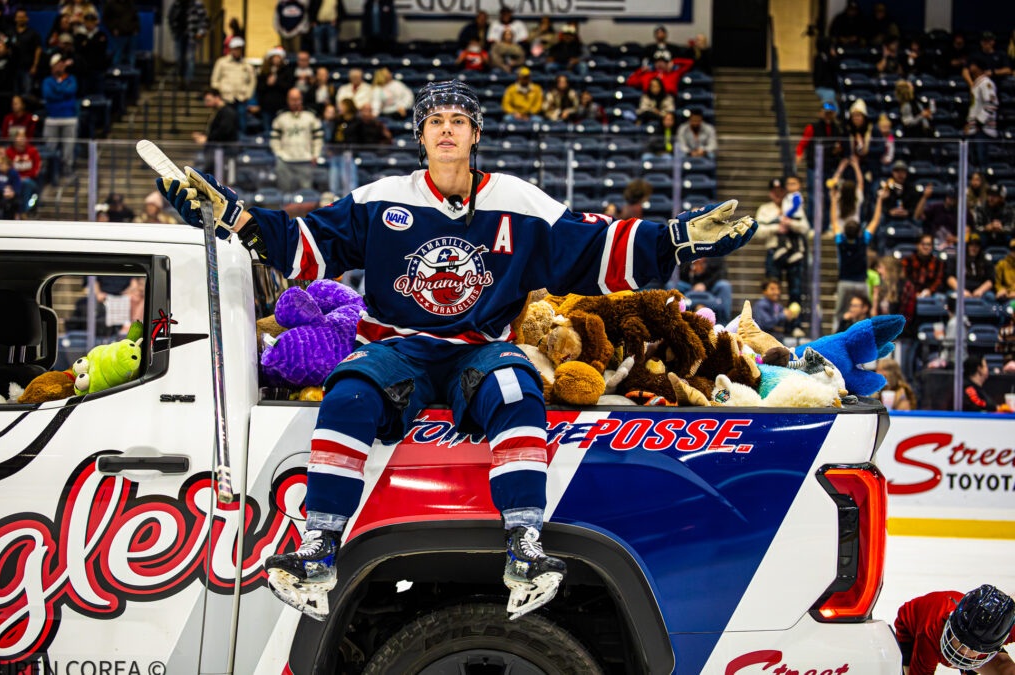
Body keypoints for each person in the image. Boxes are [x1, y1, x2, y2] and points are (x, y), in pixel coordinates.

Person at [156, 80, 756, 622]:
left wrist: (676, 238)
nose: (446, 127)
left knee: (519, 390)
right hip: (400, 348)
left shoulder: (519, 202)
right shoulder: (383, 197)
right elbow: (307, 238)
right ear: (421, 135)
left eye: (458, 119)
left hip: (480, 350)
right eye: (435, 119)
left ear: (475, 135)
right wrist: (234, 217)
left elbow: (592, 244)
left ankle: (524, 544)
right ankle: (319, 548)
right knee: (348, 391)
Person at [896, 586, 1015, 673]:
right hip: (912, 630)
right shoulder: (930, 633)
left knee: (1006, 669)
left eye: (973, 648)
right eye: (961, 642)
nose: (964, 653)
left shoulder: (1003, 629)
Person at [832, 183, 885, 330]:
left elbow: (834, 221)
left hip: (845, 283)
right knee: (865, 311)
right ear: (859, 232)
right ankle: (867, 331)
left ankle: (835, 334)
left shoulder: (841, 241)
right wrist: (880, 200)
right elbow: (875, 221)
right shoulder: (863, 240)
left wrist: (833, 199)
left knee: (839, 313)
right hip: (861, 283)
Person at [756, 177, 808, 325]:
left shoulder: (794, 206)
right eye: (774, 191)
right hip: (774, 252)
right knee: (772, 289)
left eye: (780, 191)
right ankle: (771, 323)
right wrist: (776, 227)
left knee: (795, 290)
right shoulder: (765, 209)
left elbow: (804, 227)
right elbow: (757, 230)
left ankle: (794, 324)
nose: (777, 194)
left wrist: (790, 223)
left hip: (793, 253)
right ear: (770, 193)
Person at [270, 87, 323, 192]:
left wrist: (315, 154)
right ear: (288, 100)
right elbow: (274, 139)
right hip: (286, 161)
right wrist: (279, 154)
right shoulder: (281, 117)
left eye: (297, 99)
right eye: (292, 99)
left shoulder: (311, 116)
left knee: (306, 193)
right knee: (285, 192)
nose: (295, 102)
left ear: (301, 99)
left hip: (306, 160)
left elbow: (318, 138)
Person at [42, 53, 78, 177]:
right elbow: (48, 95)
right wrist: (63, 91)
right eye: (57, 64)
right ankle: (49, 171)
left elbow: (71, 91)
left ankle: (67, 169)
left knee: (68, 147)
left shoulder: (71, 79)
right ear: (52, 66)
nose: (60, 66)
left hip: (69, 118)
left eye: (62, 63)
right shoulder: (47, 81)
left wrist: (57, 89)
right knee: (50, 146)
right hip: (52, 118)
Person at [211, 37, 255, 133]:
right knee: (224, 122)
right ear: (231, 50)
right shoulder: (222, 62)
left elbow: (252, 82)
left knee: (241, 122)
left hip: (240, 98)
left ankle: (240, 143)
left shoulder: (247, 65)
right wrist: (219, 92)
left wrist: (248, 95)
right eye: (235, 49)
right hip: (225, 98)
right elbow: (214, 80)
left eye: (239, 49)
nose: (237, 51)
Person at [796, 102, 844, 188]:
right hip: (814, 166)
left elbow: (840, 145)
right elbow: (802, 144)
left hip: (830, 166)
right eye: (826, 113)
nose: (828, 116)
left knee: (830, 193)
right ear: (820, 113)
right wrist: (799, 155)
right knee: (813, 193)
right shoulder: (812, 128)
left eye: (830, 113)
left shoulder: (837, 129)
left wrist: (838, 149)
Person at [965, 56, 999, 168]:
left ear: (978, 67)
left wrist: (980, 121)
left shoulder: (986, 83)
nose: (970, 67)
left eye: (972, 64)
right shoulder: (977, 83)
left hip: (983, 128)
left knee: (981, 159)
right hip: (975, 128)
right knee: (974, 161)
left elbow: (992, 103)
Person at [677, 257, 732, 324]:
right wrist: (690, 269)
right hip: (690, 286)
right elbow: (680, 273)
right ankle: (675, 321)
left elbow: (722, 274)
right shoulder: (688, 251)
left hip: (711, 287)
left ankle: (723, 324)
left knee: (724, 285)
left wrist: (705, 284)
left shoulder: (716, 255)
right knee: (674, 285)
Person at [167, 0, 207, 86]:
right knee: (178, 58)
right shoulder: (177, 4)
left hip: (191, 35)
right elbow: (170, 17)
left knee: (189, 58)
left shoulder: (197, 4)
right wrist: (173, 31)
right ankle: (180, 78)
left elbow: (203, 20)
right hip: (179, 34)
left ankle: (187, 80)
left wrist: (200, 32)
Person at [255, 47, 293, 134]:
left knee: (281, 131)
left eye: (278, 57)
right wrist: (267, 84)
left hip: (281, 106)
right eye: (274, 57)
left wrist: (276, 82)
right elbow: (259, 88)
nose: (276, 59)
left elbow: (288, 87)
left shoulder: (286, 71)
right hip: (266, 107)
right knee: (268, 131)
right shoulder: (264, 72)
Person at [946, 233, 994, 298]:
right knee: (952, 296)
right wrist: (961, 291)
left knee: (990, 296)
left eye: (977, 245)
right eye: (971, 245)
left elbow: (990, 280)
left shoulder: (985, 260)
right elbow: (950, 278)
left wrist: (980, 290)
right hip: (960, 289)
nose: (974, 248)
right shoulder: (956, 259)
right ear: (967, 246)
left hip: (980, 291)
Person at [193, 88, 239, 155]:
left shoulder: (227, 112)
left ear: (217, 98)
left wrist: (207, 139)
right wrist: (202, 135)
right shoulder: (217, 111)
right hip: (217, 149)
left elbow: (224, 131)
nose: (206, 104)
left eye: (208, 100)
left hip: (225, 150)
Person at [626, 51, 692, 96]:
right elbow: (630, 82)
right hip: (649, 101)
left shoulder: (673, 74)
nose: (660, 64)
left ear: (667, 63)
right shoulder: (647, 75)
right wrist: (641, 70)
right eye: (657, 61)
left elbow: (690, 63)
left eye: (663, 61)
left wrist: (674, 61)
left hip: (669, 101)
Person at [8, 10, 42, 95]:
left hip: (28, 68)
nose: (20, 19)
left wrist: (35, 65)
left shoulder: (33, 33)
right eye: (19, 17)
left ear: (27, 18)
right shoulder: (10, 33)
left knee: (27, 93)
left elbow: (38, 50)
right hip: (13, 68)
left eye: (23, 17)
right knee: (14, 93)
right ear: (15, 19)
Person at [913, 183, 958, 248]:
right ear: (946, 196)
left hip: (952, 247)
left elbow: (967, 233)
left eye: (954, 198)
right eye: (949, 197)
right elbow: (917, 215)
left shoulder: (960, 213)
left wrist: (955, 239)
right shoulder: (936, 207)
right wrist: (925, 197)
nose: (951, 200)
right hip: (933, 245)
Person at [75, 12, 109, 95]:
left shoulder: (101, 34)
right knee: (85, 94)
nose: (90, 24)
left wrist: (87, 43)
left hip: (98, 68)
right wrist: (94, 42)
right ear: (84, 22)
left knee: (99, 93)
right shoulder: (79, 35)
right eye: (88, 21)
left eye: (92, 21)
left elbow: (101, 48)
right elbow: (79, 49)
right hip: (84, 69)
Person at [902, 233, 945, 299]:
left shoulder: (938, 262)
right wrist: (913, 292)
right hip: (911, 292)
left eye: (929, 244)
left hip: (930, 294)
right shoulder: (908, 261)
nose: (926, 247)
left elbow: (939, 281)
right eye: (923, 244)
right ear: (917, 245)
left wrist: (929, 291)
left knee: (941, 297)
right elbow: (904, 279)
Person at [6, 129, 40, 207]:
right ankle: (20, 211)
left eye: (23, 136)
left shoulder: (32, 151)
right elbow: (7, 168)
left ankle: (25, 210)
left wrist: (25, 177)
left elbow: (36, 168)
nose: (21, 138)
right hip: (13, 180)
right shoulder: (9, 152)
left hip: (30, 180)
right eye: (19, 136)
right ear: (14, 138)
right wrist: (18, 177)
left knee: (26, 184)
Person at [829, 157, 864, 231]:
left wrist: (840, 168)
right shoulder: (857, 197)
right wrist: (856, 166)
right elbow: (860, 183)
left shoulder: (837, 197)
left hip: (840, 229)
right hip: (854, 229)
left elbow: (832, 184)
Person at [102, 0, 138, 66]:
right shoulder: (111, 4)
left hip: (131, 32)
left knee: (131, 54)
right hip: (120, 33)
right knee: (118, 53)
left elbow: (135, 16)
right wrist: (112, 29)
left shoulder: (130, 3)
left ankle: (131, 72)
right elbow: (105, 19)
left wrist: (136, 28)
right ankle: (117, 72)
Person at [995, 237, 1015, 302]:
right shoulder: (1002, 264)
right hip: (1006, 294)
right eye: (1013, 249)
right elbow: (997, 282)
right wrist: (1001, 289)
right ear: (1010, 250)